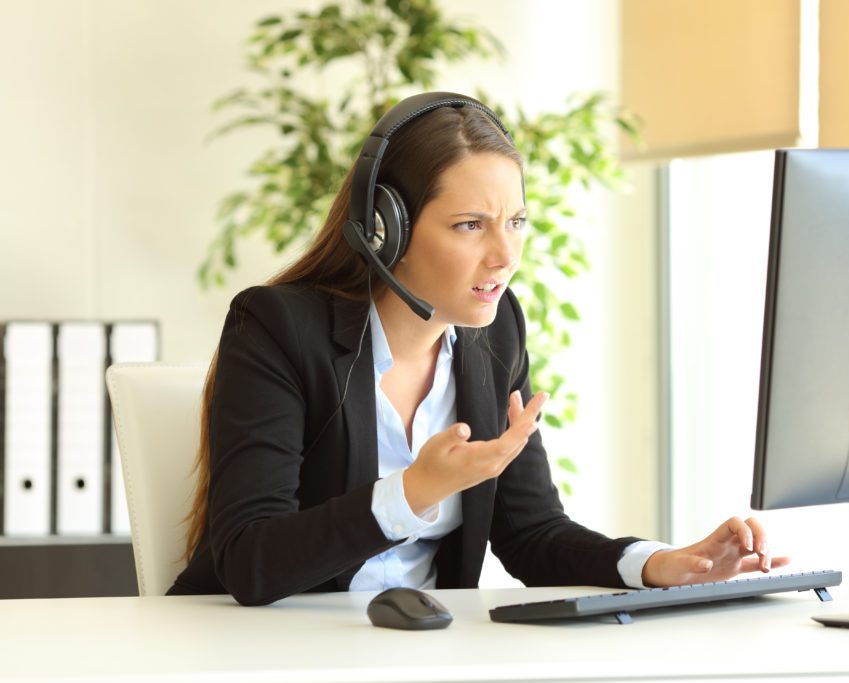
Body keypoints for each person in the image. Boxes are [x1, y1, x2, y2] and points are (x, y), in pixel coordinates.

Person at [168, 92, 788, 606]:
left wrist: (661, 565)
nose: (505, 255)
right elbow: (251, 562)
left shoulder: (495, 334)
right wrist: (411, 492)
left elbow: (533, 534)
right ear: (389, 229)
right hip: (260, 651)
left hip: (421, 650)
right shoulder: (278, 327)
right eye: (471, 225)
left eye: (515, 221)